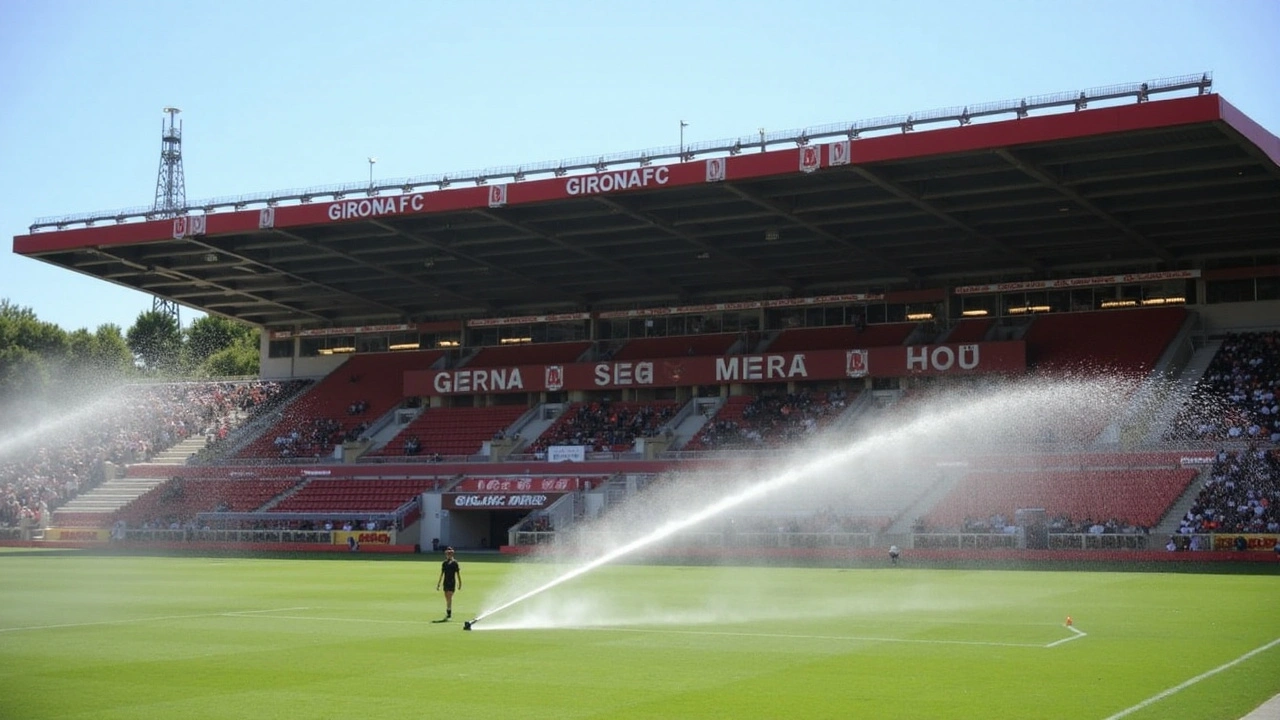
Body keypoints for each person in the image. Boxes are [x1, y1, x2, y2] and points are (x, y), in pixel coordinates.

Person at [436, 547, 462, 620]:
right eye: (447, 554)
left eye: (449, 554)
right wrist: (439, 583)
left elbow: (458, 574)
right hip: (446, 581)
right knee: (446, 597)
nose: (448, 555)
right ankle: (448, 608)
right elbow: (442, 574)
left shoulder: (455, 563)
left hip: (452, 581)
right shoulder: (444, 563)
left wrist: (460, 583)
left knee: (450, 596)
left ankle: (449, 611)